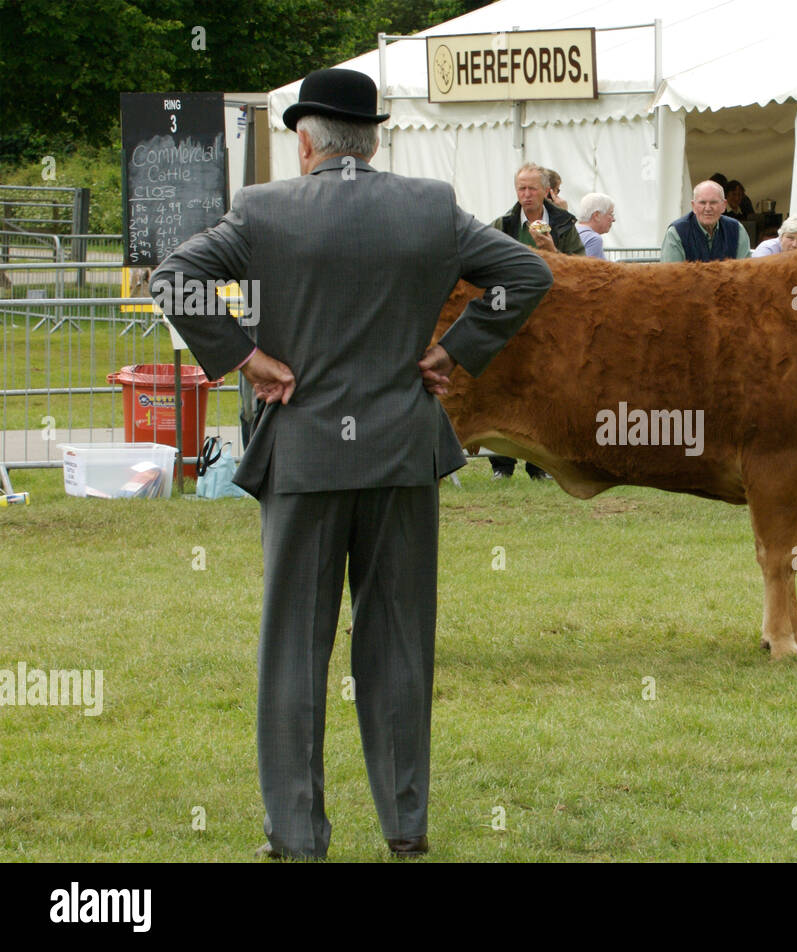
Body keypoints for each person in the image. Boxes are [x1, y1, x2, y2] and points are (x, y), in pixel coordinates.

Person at [150, 68, 553, 858]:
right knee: (399, 644)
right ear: (374, 139)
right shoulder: (429, 205)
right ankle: (406, 827)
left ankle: (297, 834)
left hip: (302, 457)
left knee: (295, 651)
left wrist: (246, 358)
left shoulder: (263, 209)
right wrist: (456, 349)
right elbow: (528, 273)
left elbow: (176, 278)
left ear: (305, 141)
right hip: (402, 453)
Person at [489, 163, 585, 479]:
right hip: (510, 317)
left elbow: (581, 271)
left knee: (543, 391)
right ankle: (502, 465)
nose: (526, 195)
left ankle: (539, 464)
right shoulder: (502, 225)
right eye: (521, 188)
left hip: (548, 317)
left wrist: (551, 250)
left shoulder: (563, 226)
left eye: (532, 188)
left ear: (546, 191)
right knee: (504, 390)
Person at [660, 181, 751, 262]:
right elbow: (670, 276)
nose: (707, 208)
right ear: (693, 206)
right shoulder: (676, 233)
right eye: (702, 203)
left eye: (713, 202)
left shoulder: (737, 230)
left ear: (724, 206)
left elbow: (744, 274)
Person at [576, 192, 615, 259]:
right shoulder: (593, 239)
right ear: (597, 215)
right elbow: (592, 268)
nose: (613, 219)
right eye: (610, 214)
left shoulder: (572, 232)